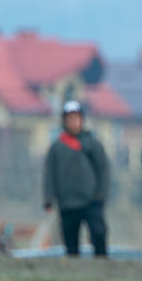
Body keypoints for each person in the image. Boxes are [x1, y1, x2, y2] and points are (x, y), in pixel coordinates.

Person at [42, 100, 110, 257]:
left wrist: (101, 194)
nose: (73, 122)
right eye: (70, 118)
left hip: (91, 200)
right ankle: (73, 276)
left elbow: (103, 169)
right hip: (67, 203)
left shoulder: (92, 144)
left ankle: (103, 269)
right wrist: (48, 198)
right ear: (64, 121)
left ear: (82, 120)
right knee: (70, 242)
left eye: (76, 118)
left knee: (98, 234)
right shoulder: (57, 147)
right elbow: (49, 173)